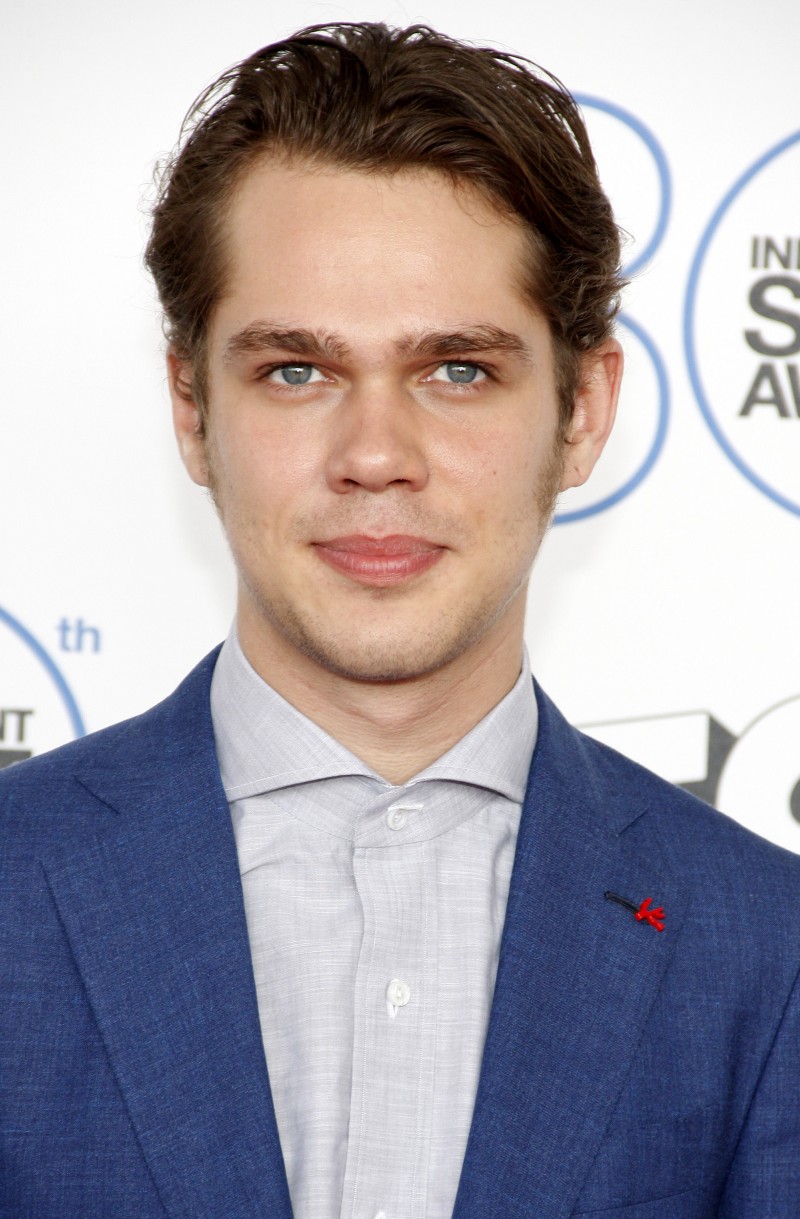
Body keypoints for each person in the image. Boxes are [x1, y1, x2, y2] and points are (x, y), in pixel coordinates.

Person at [2, 22, 799, 1219]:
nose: (375, 455)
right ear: (190, 405)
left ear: (583, 409)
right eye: (296, 371)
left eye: (457, 370)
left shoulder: (765, 951)